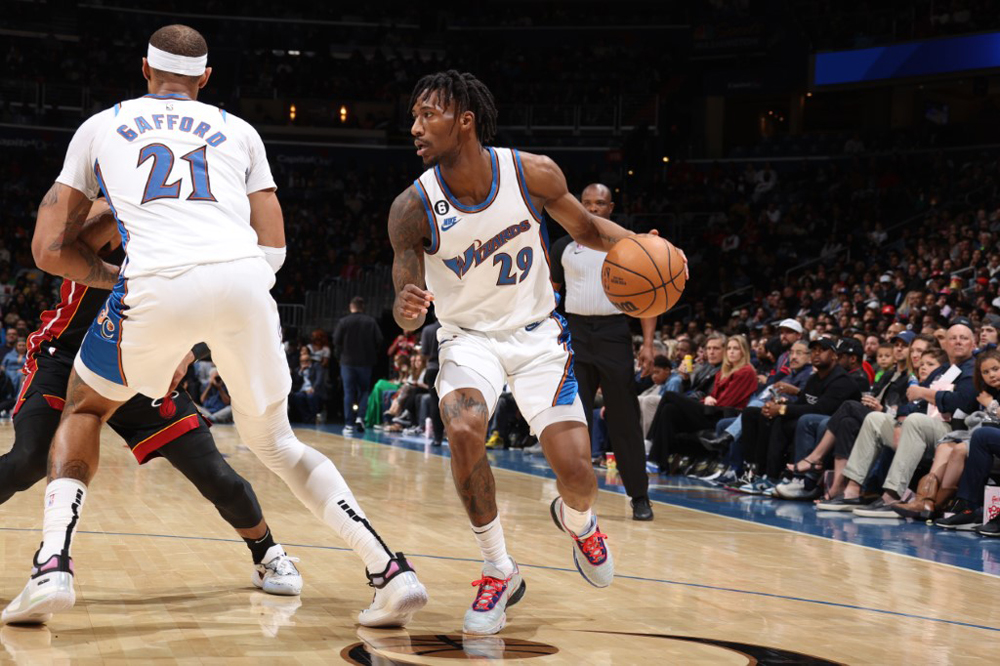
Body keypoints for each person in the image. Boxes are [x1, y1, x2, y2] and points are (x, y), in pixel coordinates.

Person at [3, 25, 426, 627]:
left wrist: (127, 288)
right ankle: (389, 570)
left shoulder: (102, 125)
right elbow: (274, 249)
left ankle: (52, 568)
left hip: (152, 291)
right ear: (206, 78)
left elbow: (47, 249)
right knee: (277, 442)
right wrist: (205, 318)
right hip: (245, 282)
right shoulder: (243, 130)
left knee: (85, 409)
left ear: (143, 71)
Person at [388, 70, 684, 635]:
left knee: (578, 474)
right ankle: (499, 569)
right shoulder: (411, 207)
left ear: (465, 121)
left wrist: (641, 247)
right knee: (464, 428)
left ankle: (579, 522)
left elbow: (589, 230)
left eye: (429, 115)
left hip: (538, 337)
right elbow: (405, 299)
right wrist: (406, 306)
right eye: (414, 116)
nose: (415, 127)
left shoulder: (531, 173)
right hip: (467, 340)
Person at [0, 225, 302, 601]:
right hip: (64, 355)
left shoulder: (196, 224)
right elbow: (61, 248)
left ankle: (268, 553)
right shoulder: (107, 204)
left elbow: (224, 302)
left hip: (139, 356)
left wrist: (191, 348)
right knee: (30, 458)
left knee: (212, 471)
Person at [549, 182, 656, 521]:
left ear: (611, 208)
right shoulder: (562, 245)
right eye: (587, 203)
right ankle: (574, 497)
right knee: (572, 420)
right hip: (575, 334)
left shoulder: (626, 244)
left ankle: (639, 496)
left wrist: (649, 343)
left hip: (614, 333)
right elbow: (550, 296)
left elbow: (647, 295)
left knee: (624, 419)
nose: (593, 209)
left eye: (600, 203)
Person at [737, 337, 861, 495]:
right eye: (814, 350)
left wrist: (782, 409)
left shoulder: (842, 380)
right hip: (815, 419)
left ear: (834, 356)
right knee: (758, 414)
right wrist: (774, 407)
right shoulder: (814, 379)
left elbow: (821, 409)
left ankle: (795, 479)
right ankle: (762, 474)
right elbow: (802, 403)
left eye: (822, 350)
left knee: (795, 418)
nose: (816, 354)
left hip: (834, 425)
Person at [646, 335, 756, 473]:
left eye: (736, 349)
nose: (731, 352)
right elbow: (711, 397)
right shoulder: (724, 371)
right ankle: (657, 462)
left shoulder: (745, 371)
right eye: (729, 348)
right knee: (669, 409)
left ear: (744, 352)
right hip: (712, 410)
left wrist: (707, 400)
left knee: (669, 396)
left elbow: (726, 402)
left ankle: (649, 441)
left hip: (722, 415)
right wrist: (707, 399)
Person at [333, 296, 383, 435]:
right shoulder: (371, 322)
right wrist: (373, 354)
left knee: (349, 392)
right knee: (364, 391)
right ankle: (360, 417)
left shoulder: (344, 322)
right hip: (366, 362)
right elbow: (379, 340)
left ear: (351, 306)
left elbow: (336, 341)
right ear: (363, 307)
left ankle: (349, 424)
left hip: (347, 362)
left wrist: (339, 357)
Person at [420, 318, 444, 446]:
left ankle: (437, 437)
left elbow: (424, 353)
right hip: (448, 369)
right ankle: (452, 435)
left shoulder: (427, 330)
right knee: (451, 402)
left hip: (432, 369)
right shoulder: (451, 328)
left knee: (434, 403)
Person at [290, 346, 326, 423]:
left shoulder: (316, 366)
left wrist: (313, 388)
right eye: (302, 361)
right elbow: (295, 383)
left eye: (306, 360)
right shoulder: (298, 370)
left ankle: (313, 418)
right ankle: (306, 418)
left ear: (310, 360)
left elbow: (319, 379)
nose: (304, 363)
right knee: (297, 396)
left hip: (313, 389)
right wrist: (300, 372)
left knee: (311, 397)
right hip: (303, 390)